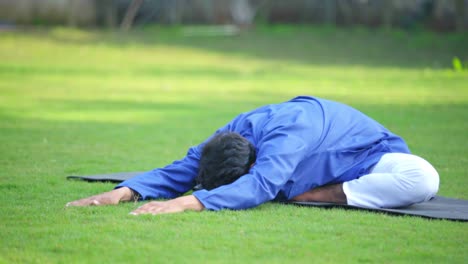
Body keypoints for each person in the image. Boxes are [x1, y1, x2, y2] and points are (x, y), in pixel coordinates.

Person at [67, 96, 439, 215]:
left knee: (425, 178)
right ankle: (309, 187)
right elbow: (185, 166)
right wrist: (123, 191)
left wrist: (185, 204)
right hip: (304, 167)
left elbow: (262, 184)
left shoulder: (289, 132)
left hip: (372, 160)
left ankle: (320, 193)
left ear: (253, 160)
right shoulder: (231, 134)